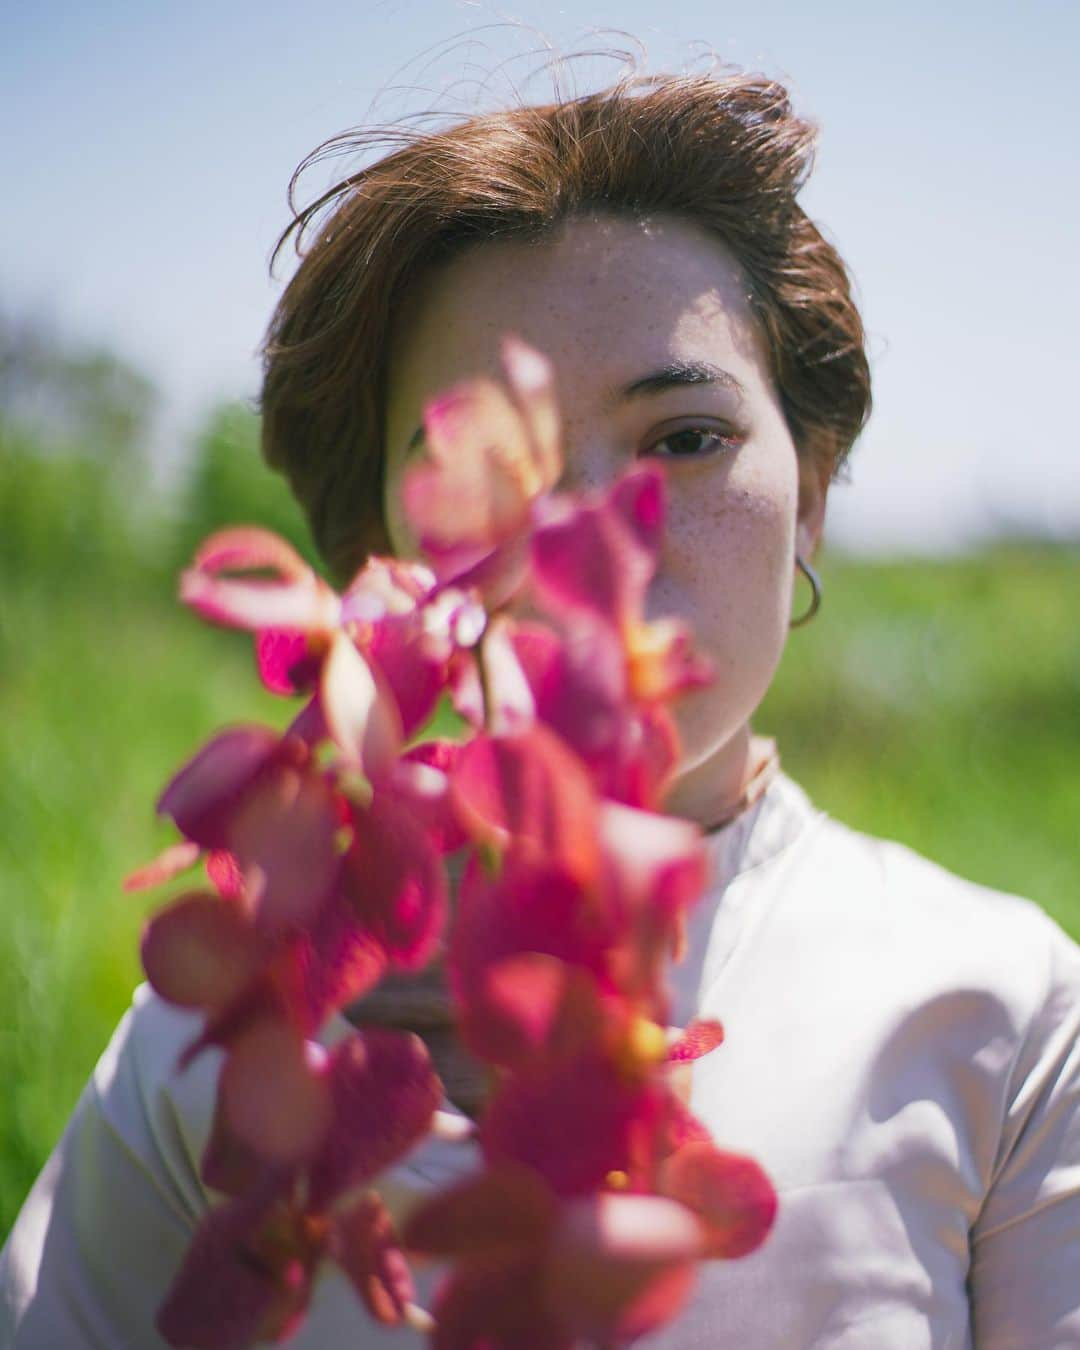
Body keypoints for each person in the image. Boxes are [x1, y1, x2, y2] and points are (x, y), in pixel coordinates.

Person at [3, 68, 1078, 1350]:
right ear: (378, 548)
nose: (588, 536)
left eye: (683, 439)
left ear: (819, 488)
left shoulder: (1003, 1010)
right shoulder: (233, 1032)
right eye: (485, 464)